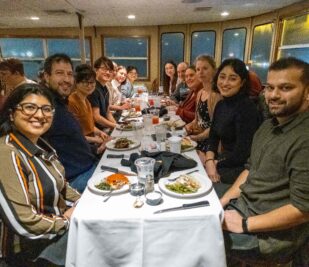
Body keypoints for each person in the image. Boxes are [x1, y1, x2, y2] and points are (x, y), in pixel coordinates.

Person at [218, 57, 309, 263]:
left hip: (269, 235)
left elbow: (303, 210)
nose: (273, 95)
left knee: (196, 235)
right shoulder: (267, 126)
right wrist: (224, 201)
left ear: (307, 91)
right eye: (269, 87)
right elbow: (250, 171)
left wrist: (245, 224)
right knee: (195, 209)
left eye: (285, 88)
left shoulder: (305, 138)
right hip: (243, 207)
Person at [0, 83, 80, 266]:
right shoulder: (7, 153)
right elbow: (24, 222)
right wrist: (66, 220)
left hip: (53, 233)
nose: (39, 115)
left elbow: (63, 187)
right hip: (24, 253)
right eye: (29, 107)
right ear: (12, 114)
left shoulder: (42, 145)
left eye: (46, 109)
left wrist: (86, 202)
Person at [43, 53, 98, 193]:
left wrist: (96, 149)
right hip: (76, 178)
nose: (66, 79)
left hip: (87, 164)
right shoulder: (45, 107)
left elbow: (71, 142)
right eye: (59, 73)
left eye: (69, 74)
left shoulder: (61, 104)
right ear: (46, 76)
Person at [204, 58, 260, 185]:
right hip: (222, 161)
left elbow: (243, 153)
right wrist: (209, 160)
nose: (225, 83)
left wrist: (215, 163)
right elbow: (213, 137)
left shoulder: (247, 108)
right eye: (222, 77)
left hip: (240, 168)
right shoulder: (221, 105)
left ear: (242, 83)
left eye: (233, 78)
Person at [68, 64, 109, 156]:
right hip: (81, 148)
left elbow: (89, 126)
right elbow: (73, 135)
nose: (90, 86)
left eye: (92, 82)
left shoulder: (86, 101)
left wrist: (100, 132)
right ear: (77, 83)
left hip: (91, 143)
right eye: (86, 82)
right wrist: (95, 139)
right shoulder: (72, 102)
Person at [185, 55, 222, 152]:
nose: (200, 72)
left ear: (214, 70)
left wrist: (196, 138)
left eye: (205, 68)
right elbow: (197, 119)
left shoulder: (216, 96)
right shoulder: (200, 93)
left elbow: (215, 128)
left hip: (211, 143)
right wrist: (187, 126)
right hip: (198, 138)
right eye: (198, 69)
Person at [88, 56, 117, 131]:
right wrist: (115, 126)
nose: (107, 72)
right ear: (96, 70)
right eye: (104, 69)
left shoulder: (105, 88)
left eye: (110, 70)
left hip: (105, 127)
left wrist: (116, 125)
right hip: (96, 131)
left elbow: (107, 112)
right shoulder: (92, 88)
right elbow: (96, 117)